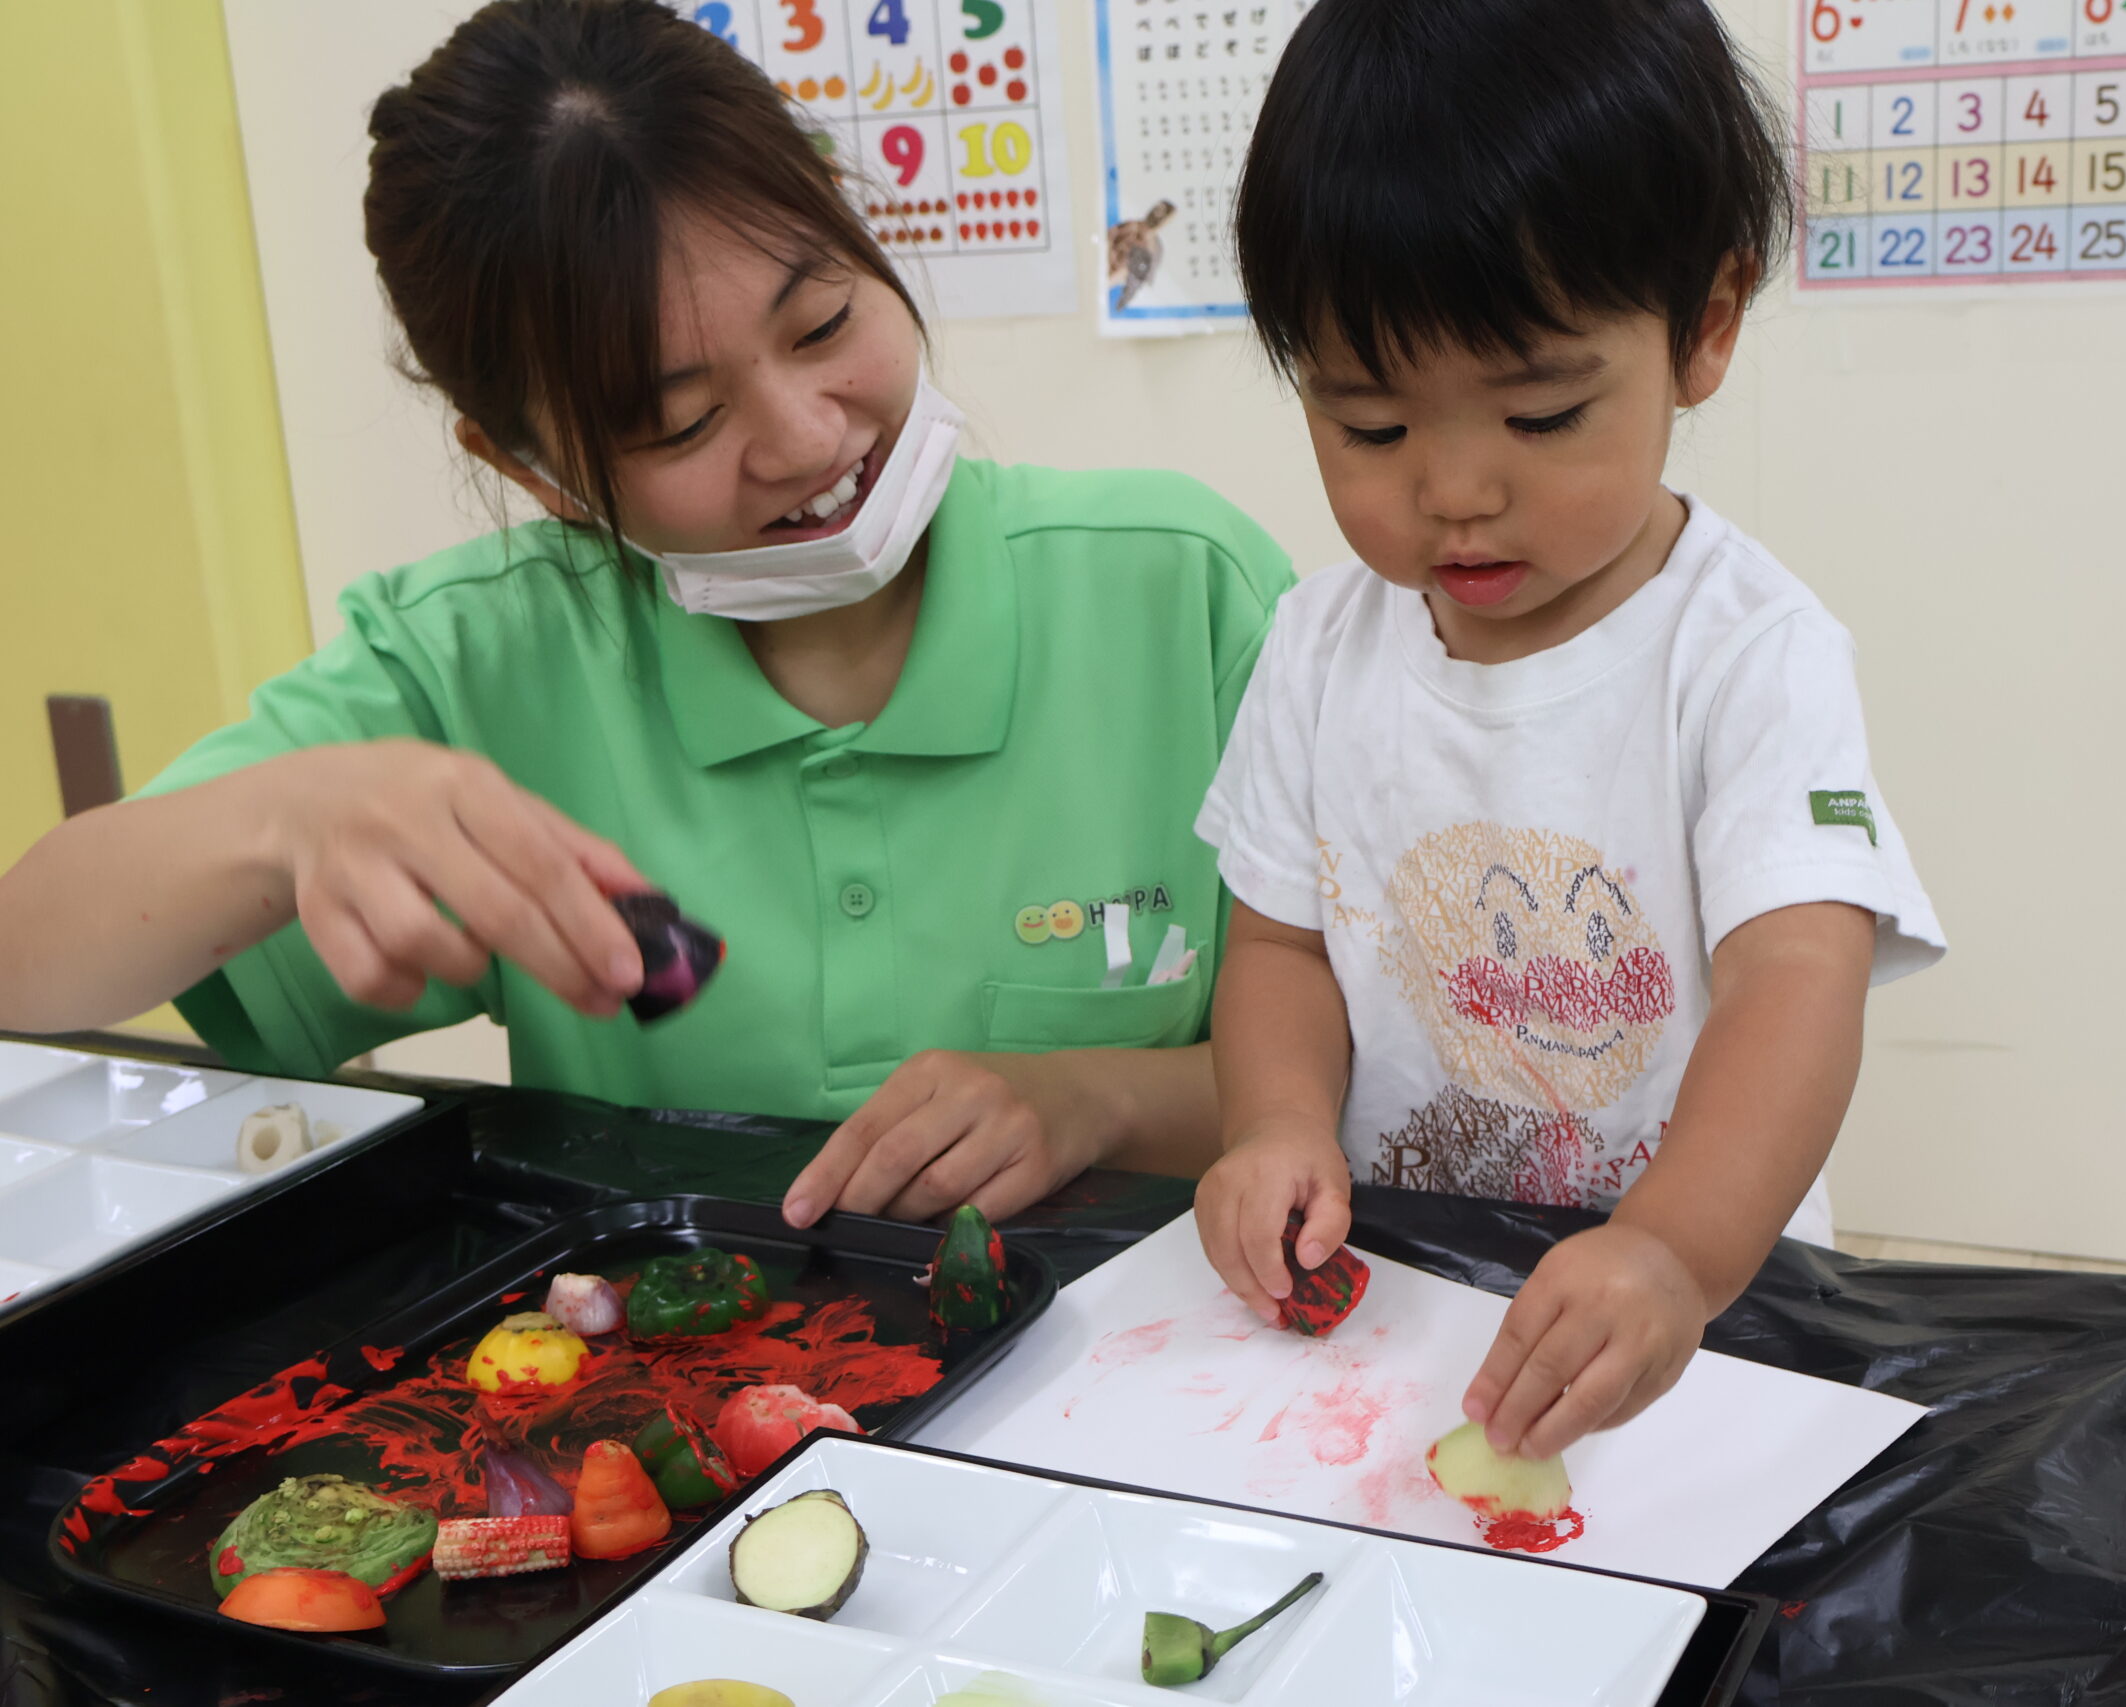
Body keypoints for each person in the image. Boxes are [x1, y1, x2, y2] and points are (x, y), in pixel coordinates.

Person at [0, 0, 1290, 1227]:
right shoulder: (470, 670)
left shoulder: (1182, 593)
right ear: (531, 471)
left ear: (850, 223)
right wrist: (286, 820)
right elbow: (29, 973)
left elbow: (1383, 1078)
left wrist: (1100, 1100)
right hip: (681, 1400)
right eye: (679, 421)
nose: (803, 438)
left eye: (824, 319)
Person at [1192, 0, 1945, 1461]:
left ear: (1703, 327)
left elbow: (1800, 975)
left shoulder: (1748, 655)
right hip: (1411, 1300)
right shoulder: (1316, 648)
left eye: (1539, 417)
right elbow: (1277, 945)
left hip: (1705, 1312)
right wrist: (1273, 1125)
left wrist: (1673, 1251)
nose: (1456, 490)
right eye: (1372, 429)